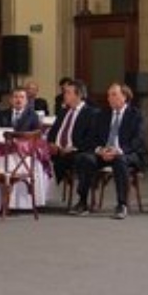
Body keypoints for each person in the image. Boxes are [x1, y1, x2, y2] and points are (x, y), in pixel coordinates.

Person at [72, 83, 148, 219]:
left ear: (124, 96)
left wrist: (118, 150)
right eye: (108, 95)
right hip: (104, 153)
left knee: (120, 160)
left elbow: (138, 141)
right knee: (85, 158)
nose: (109, 98)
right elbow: (93, 138)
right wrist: (100, 150)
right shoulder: (102, 114)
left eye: (114, 95)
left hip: (126, 153)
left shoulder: (136, 115)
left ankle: (122, 204)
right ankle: (82, 201)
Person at [47, 79, 98, 213]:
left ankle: (82, 201)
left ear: (78, 95)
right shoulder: (64, 112)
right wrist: (52, 143)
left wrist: (73, 148)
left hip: (77, 152)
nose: (64, 95)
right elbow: (52, 133)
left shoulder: (91, 113)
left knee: (85, 160)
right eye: (65, 92)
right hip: (57, 151)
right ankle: (32, 198)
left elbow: (91, 139)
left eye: (68, 93)